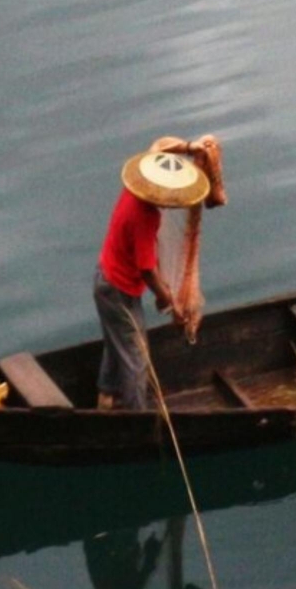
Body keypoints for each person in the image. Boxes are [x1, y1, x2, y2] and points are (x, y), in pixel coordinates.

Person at [97, 134, 224, 410]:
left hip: (107, 280)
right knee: (136, 356)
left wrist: (191, 147)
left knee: (116, 338)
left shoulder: (134, 187)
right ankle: (137, 418)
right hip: (116, 289)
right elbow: (147, 270)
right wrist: (169, 300)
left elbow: (160, 145)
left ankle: (106, 397)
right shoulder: (145, 216)